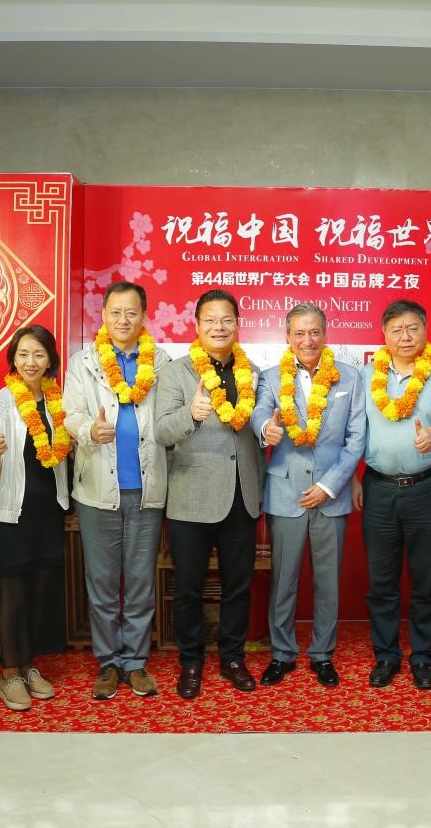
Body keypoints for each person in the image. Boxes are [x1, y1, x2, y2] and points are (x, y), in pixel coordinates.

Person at [63, 281, 170, 700]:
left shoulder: (161, 362)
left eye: (131, 312)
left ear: (144, 316)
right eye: (115, 312)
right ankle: (109, 661)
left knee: (140, 582)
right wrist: (89, 430)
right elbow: (70, 413)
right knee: (103, 582)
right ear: (103, 315)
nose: (123, 320)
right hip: (97, 490)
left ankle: (136, 662)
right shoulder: (84, 362)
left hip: (146, 489)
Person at [154, 289, 263, 699]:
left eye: (227, 320)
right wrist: (191, 414)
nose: (219, 327)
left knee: (238, 585)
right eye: (211, 320)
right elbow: (162, 431)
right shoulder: (176, 372)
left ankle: (233, 657)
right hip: (192, 496)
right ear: (197, 325)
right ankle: (191, 661)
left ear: (237, 324)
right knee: (188, 588)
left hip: (241, 495)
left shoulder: (253, 371)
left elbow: (256, 428)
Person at [251, 303, 365, 688]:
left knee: (328, 582)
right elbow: (260, 413)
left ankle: (322, 654)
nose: (307, 340)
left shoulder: (350, 377)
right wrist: (266, 428)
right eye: (299, 333)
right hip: (286, 492)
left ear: (325, 334)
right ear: (288, 337)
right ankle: (282, 653)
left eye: (314, 332)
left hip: (331, 494)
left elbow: (356, 439)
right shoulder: (270, 377)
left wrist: (330, 485)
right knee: (283, 580)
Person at [352, 299, 431, 690]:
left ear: (426, 330)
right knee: (381, 579)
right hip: (378, 487)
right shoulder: (367, 376)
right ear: (384, 335)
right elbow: (353, 431)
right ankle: (386, 655)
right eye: (396, 329)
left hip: (426, 488)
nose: (405, 336)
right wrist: (352, 479)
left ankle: (423, 657)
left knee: (426, 578)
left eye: (413, 328)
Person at [0, 325, 70, 711]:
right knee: (13, 591)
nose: (30, 362)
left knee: (39, 588)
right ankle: (9, 673)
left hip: (47, 509)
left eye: (38, 354)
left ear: (50, 359)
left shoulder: (57, 401)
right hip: (9, 511)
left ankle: (28, 664)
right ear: (13, 360)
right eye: (23, 354)